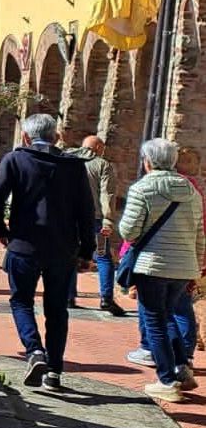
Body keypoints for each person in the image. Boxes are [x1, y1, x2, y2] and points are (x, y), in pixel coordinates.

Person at [0, 113, 93, 392]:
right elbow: (86, 210)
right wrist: (87, 250)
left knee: (21, 301)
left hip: (24, 244)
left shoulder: (15, 160)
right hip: (62, 248)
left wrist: (1, 229)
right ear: (57, 138)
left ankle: (34, 351)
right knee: (57, 310)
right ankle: (54, 372)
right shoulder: (74, 167)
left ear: (25, 137)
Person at [117, 138, 204, 404]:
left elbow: (129, 231)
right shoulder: (191, 191)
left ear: (148, 161)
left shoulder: (143, 188)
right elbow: (199, 233)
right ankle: (181, 368)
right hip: (183, 265)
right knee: (168, 317)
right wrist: (196, 264)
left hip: (152, 265)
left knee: (155, 320)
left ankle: (166, 380)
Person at [66, 135, 121, 315]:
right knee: (103, 257)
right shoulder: (102, 165)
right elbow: (108, 194)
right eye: (102, 147)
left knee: (70, 254)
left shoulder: (66, 159)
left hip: (69, 217)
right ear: (97, 147)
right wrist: (108, 219)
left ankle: (68, 296)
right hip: (94, 218)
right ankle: (106, 298)